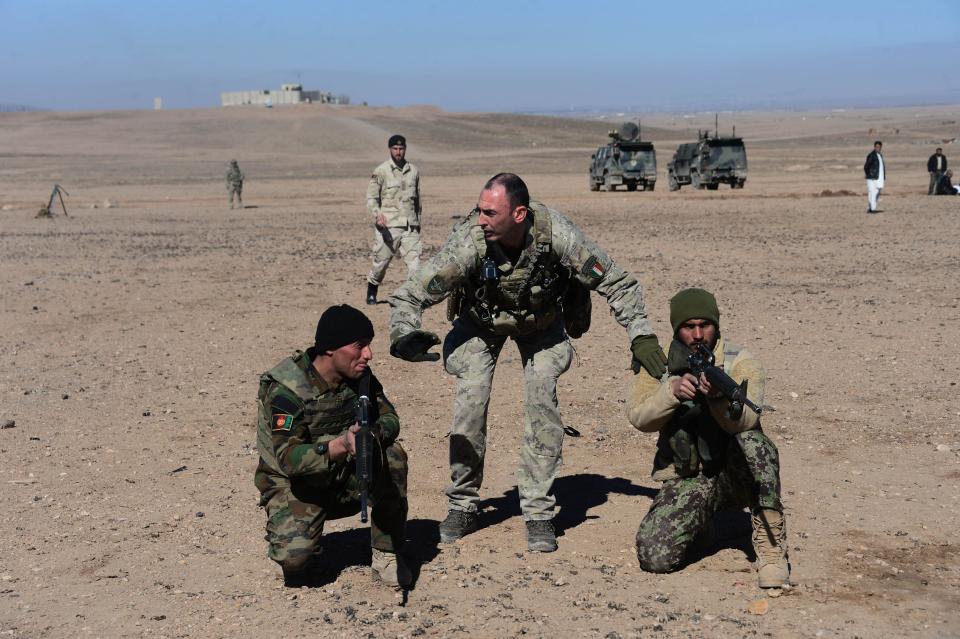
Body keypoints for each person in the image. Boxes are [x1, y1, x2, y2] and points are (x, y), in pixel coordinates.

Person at [388, 172, 666, 553]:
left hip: (543, 325)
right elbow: (410, 295)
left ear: (519, 214)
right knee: (471, 399)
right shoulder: (469, 244)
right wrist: (403, 333)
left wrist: (641, 334)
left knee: (542, 401)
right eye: (479, 210)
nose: (479, 218)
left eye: (490, 212)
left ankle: (538, 512)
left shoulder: (558, 236)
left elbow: (616, 282)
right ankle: (463, 504)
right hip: (481, 324)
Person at [625, 288, 789, 588]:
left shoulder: (739, 361)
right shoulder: (660, 362)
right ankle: (701, 527)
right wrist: (671, 392)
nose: (698, 334)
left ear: (717, 325)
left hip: (735, 475)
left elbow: (749, 418)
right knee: (654, 556)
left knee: (756, 444)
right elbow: (638, 417)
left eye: (706, 325)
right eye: (689, 327)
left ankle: (771, 547)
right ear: (677, 328)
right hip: (689, 478)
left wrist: (719, 399)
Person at [254, 304, 410, 589]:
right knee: (295, 562)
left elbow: (390, 418)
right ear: (330, 349)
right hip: (297, 484)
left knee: (392, 454)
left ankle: (386, 552)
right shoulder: (288, 390)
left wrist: (372, 433)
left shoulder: (359, 377)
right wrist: (339, 445)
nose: (368, 354)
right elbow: (288, 459)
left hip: (343, 473)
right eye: (359, 346)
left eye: (369, 345)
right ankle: (290, 533)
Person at [365, 134, 422, 305]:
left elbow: (418, 200)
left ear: (405, 149)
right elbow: (371, 198)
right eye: (395, 149)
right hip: (388, 227)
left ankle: (413, 297)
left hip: (410, 227)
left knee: (415, 265)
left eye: (401, 148)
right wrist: (377, 215)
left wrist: (418, 223)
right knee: (380, 264)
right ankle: (372, 289)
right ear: (390, 149)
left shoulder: (413, 171)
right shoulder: (381, 171)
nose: (398, 152)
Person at [863, 141, 885, 213]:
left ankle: (870, 207)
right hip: (872, 178)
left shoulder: (880, 155)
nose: (878, 148)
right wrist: (869, 174)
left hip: (878, 178)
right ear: (874, 147)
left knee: (876, 192)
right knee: (873, 192)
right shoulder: (872, 155)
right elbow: (866, 166)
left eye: (879, 147)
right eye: (877, 147)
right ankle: (872, 209)